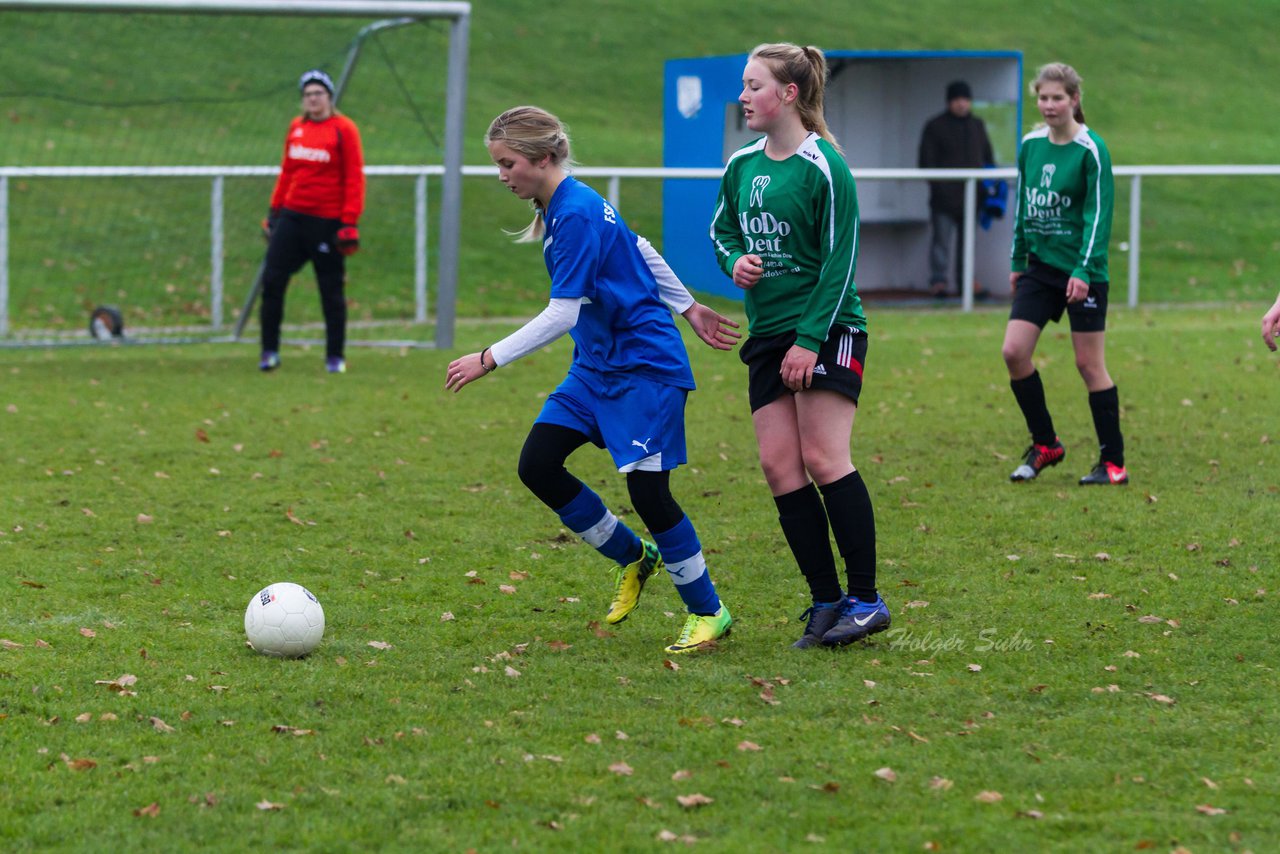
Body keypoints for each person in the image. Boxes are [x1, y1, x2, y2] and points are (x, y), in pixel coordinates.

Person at [446, 106, 740, 654]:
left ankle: (710, 611)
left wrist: (488, 358)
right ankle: (635, 556)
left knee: (649, 494)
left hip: (644, 368)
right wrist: (690, 306)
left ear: (543, 158)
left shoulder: (576, 210)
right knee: (538, 464)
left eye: (508, 164)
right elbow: (639, 246)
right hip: (596, 366)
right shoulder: (563, 204)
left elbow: (563, 313)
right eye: (498, 166)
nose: (503, 175)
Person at [709, 43, 890, 649]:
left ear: (789, 94)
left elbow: (841, 264)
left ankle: (866, 600)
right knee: (778, 465)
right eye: (743, 84)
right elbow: (721, 229)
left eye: (754, 85)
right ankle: (824, 600)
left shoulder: (825, 167)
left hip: (830, 327)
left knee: (823, 457)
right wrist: (734, 260)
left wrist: (810, 342)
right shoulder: (742, 166)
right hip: (768, 335)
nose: (744, 96)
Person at [1002, 63, 1126, 486]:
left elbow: (1097, 218)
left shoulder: (1091, 150)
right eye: (1043, 97)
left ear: (1074, 100)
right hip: (1040, 269)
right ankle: (1046, 444)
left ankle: (1113, 463)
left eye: (1057, 98)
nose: (1049, 105)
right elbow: (1024, 208)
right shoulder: (1031, 146)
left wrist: (1084, 271)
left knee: (1088, 365)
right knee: (1013, 352)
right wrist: (1019, 261)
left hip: (1083, 270)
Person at [258, 69, 365, 374]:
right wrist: (274, 211)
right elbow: (288, 171)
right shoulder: (296, 127)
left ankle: (334, 356)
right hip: (292, 216)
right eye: (307, 95)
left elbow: (354, 177)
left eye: (318, 93)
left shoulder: (344, 129)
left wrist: (349, 222)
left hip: (326, 220)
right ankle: (269, 352)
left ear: (329, 97)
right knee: (273, 281)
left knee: (330, 289)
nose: (313, 99)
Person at [918, 80, 994, 298]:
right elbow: (926, 163)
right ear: (949, 101)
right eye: (957, 99)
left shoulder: (977, 126)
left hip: (973, 199)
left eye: (965, 99)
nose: (962, 104)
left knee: (968, 246)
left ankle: (967, 283)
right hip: (943, 200)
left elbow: (988, 159)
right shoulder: (935, 126)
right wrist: (942, 190)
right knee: (941, 242)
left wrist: (987, 190)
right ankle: (938, 283)